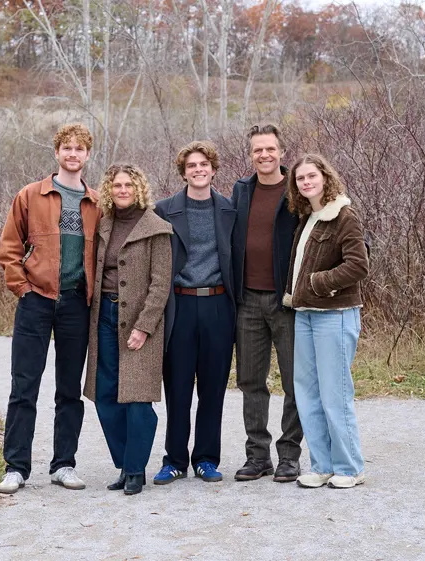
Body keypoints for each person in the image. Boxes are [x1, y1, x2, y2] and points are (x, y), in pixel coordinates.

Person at [0, 123, 101, 494]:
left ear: (88, 155)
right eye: (66, 148)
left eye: (79, 149)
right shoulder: (30, 195)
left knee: (69, 389)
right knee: (24, 386)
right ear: (56, 152)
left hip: (76, 304)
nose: (73, 154)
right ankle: (16, 467)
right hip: (36, 301)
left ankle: (64, 464)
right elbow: (9, 247)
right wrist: (22, 288)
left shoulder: (97, 203)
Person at [83, 164, 173, 496]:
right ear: (109, 190)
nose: (123, 190)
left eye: (129, 185)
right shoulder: (102, 225)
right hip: (104, 316)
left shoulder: (157, 228)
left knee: (137, 398)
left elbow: (160, 284)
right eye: (117, 185)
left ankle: (136, 469)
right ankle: (124, 464)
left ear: (139, 189)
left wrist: (144, 327)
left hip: (139, 320)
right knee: (104, 394)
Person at [282, 153, 369, 489]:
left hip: (335, 315)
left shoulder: (343, 216)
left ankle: (350, 467)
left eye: (311, 176)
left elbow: (358, 265)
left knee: (336, 393)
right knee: (308, 393)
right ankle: (321, 465)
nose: (306, 182)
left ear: (325, 177)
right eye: (300, 179)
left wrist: (318, 283)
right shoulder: (309, 218)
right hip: (303, 315)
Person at [153, 140, 236, 485]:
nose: (198, 170)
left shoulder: (230, 210)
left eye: (204, 164)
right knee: (178, 387)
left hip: (218, 304)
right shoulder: (163, 210)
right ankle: (174, 460)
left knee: (214, 388)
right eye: (191, 166)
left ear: (214, 169)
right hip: (180, 304)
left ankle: (205, 458)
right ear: (183, 172)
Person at [230, 124, 303, 482]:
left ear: (282, 152)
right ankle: (257, 456)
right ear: (251, 155)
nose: (264, 155)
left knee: (295, 381)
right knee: (250, 381)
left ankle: (289, 455)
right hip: (247, 302)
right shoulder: (241, 191)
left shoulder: (297, 190)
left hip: (286, 302)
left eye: (270, 149)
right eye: (258, 150)